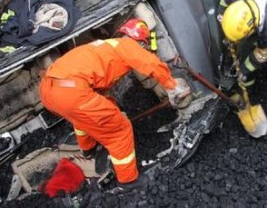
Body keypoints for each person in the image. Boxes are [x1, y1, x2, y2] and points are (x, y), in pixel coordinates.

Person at [39, 30, 192, 192]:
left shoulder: (104, 48)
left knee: (82, 118)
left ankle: (88, 149)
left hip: (49, 90)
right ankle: (128, 181)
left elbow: (100, 92)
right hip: (72, 91)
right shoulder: (127, 45)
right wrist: (172, 87)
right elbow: (151, 63)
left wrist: (111, 111)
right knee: (119, 130)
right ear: (140, 41)